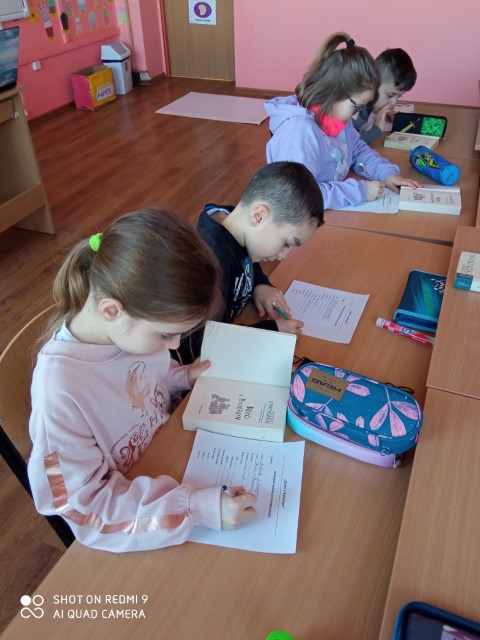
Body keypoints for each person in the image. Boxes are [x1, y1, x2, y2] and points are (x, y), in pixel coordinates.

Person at [28, 208, 257, 552]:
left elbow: (148, 379)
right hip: (137, 518)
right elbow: (85, 508)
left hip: (170, 458)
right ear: (112, 311)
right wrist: (195, 509)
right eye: (166, 335)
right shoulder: (58, 392)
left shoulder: (128, 333)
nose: (175, 346)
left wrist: (181, 376)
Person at [176, 161, 324, 365]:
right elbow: (200, 347)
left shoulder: (237, 226)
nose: (283, 256)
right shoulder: (212, 265)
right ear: (259, 216)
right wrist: (270, 332)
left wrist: (260, 284)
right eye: (286, 243)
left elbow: (246, 258)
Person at [264, 32, 421, 211]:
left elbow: (357, 149)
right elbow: (298, 197)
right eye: (355, 107)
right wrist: (359, 191)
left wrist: (385, 173)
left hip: (329, 208)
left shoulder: (337, 117)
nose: (355, 117)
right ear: (334, 93)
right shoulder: (299, 133)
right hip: (305, 217)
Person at [353, 48, 417, 145]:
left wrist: (378, 111)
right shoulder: (350, 107)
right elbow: (349, 144)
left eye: (398, 96)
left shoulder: (365, 104)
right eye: (390, 95)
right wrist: (377, 129)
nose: (393, 103)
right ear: (373, 82)